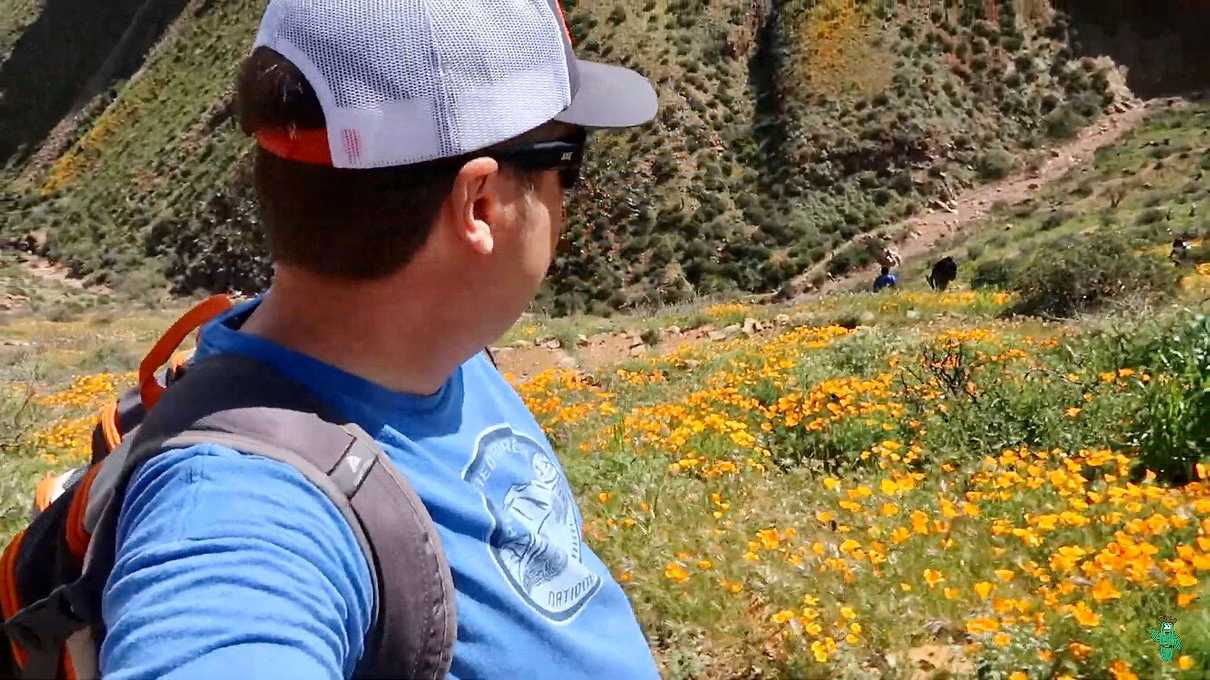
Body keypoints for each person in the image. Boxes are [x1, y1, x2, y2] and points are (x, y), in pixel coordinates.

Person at [99, 1, 660, 679]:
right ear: (478, 204)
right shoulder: (239, 510)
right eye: (567, 162)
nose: (568, 199)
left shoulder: (429, 346)